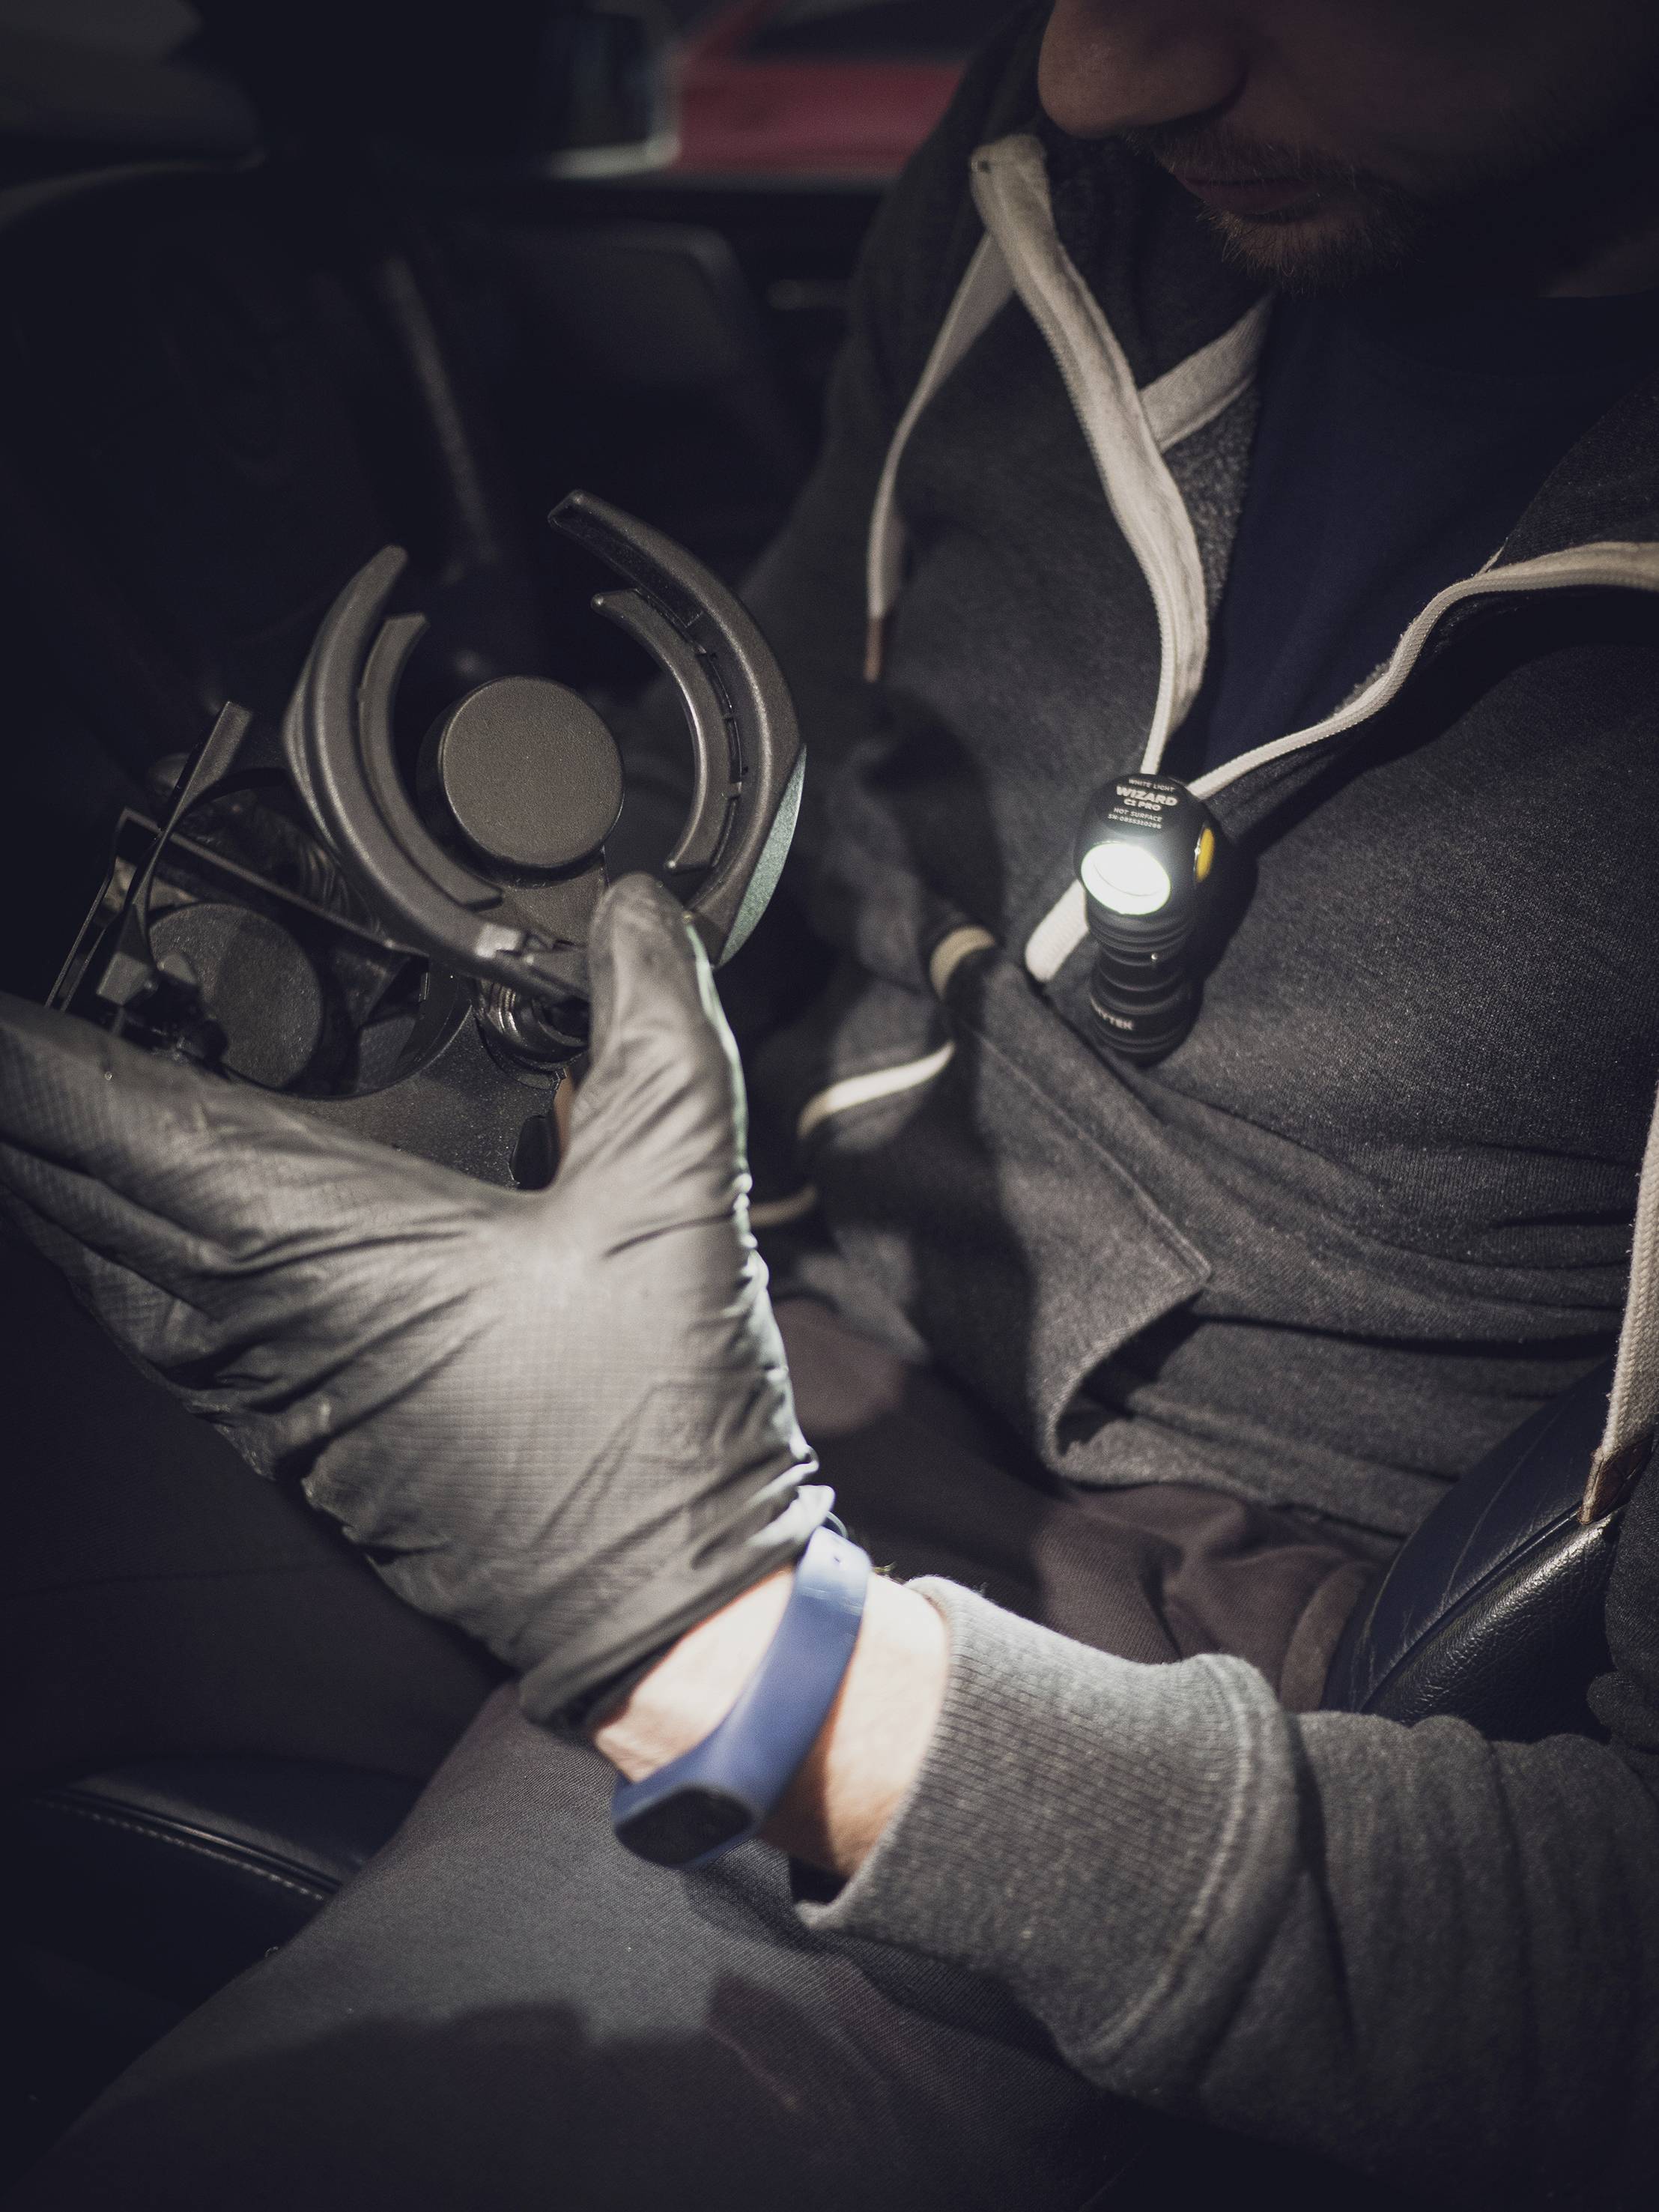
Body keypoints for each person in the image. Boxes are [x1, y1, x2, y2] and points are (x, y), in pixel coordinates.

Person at [5, 0, 1659, 2201]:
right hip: (766, 1274)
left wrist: (735, 1653)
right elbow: (765, 735)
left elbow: (1601, 1981)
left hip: (1140, 1653)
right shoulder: (1052, 176)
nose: (1093, 73)